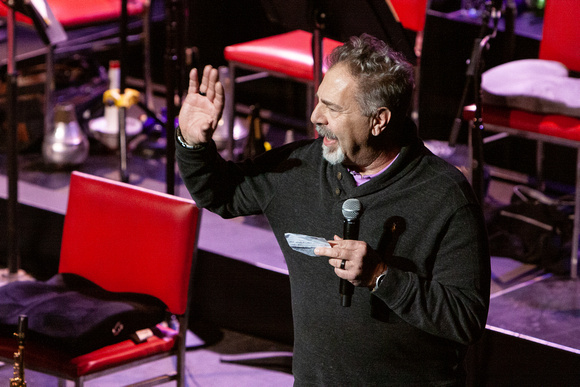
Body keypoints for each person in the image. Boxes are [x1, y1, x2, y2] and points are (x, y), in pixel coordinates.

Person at [176, 34, 490, 385]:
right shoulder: (298, 167)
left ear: (379, 120)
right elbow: (221, 194)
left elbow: (466, 319)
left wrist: (381, 277)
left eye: (333, 108)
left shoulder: (444, 196)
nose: (315, 116)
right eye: (318, 101)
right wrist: (192, 143)